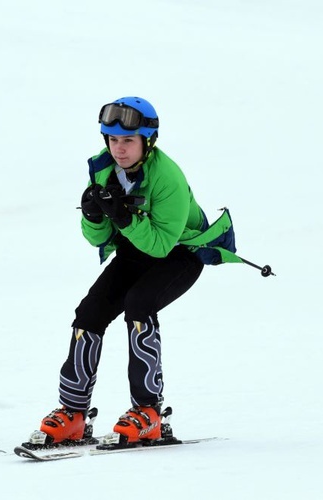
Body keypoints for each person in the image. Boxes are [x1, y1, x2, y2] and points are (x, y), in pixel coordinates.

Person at [36, 96, 209, 446]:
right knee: (89, 312)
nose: (119, 149)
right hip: (134, 252)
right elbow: (97, 239)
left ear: (148, 141)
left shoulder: (168, 177)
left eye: (128, 140)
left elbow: (161, 245)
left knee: (139, 304)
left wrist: (124, 217)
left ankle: (149, 411)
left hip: (180, 255)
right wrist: (93, 217)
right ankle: (73, 412)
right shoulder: (103, 169)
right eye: (113, 140)